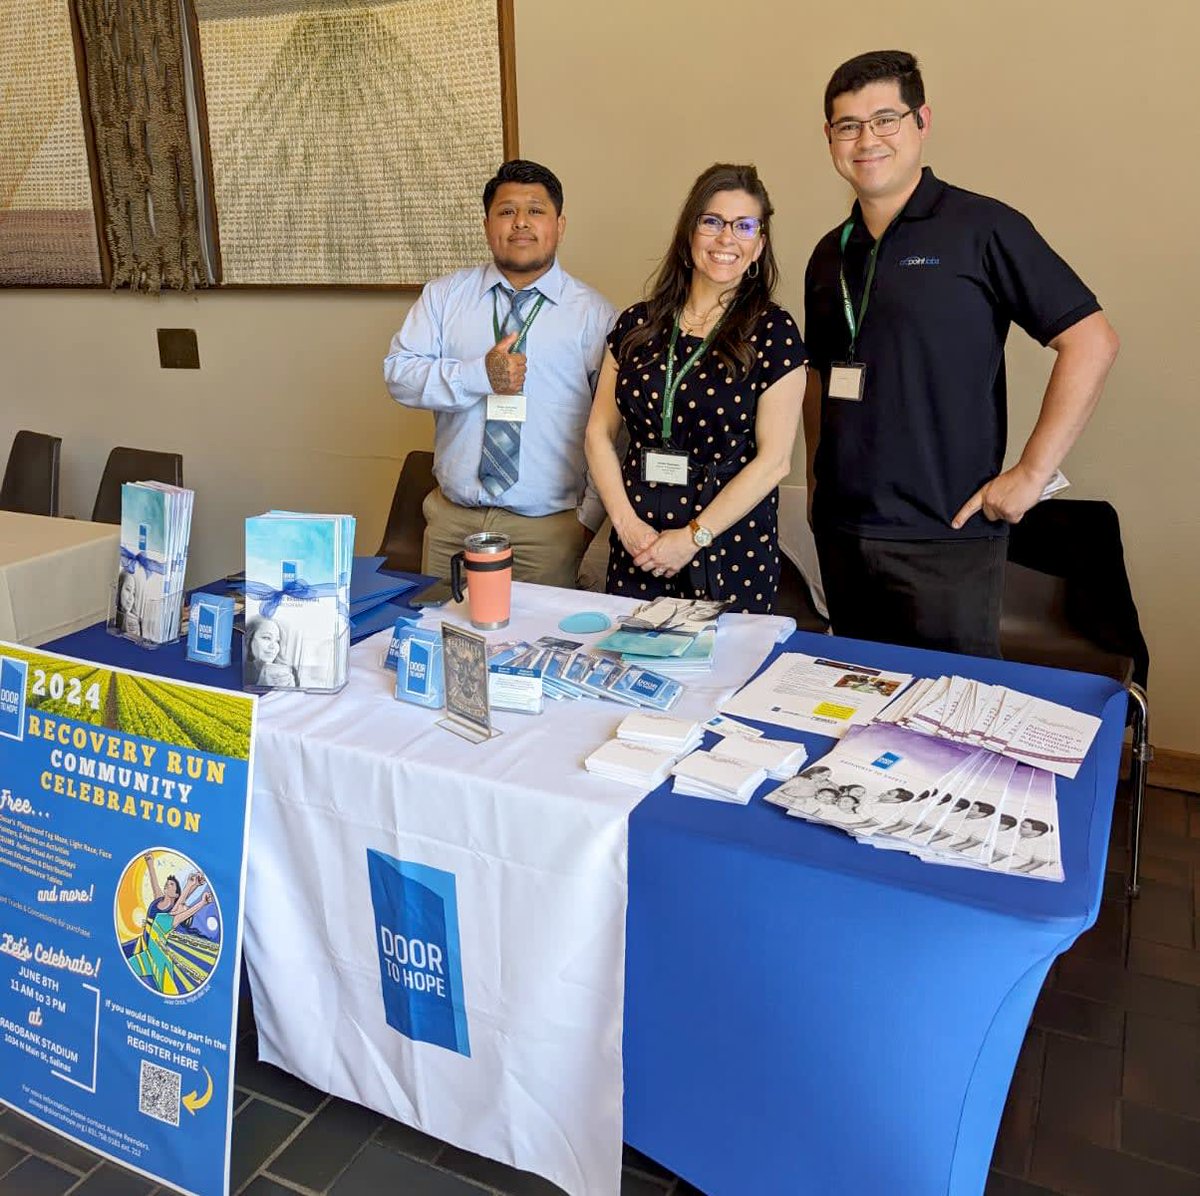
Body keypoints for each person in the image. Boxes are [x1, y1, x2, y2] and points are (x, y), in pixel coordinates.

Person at [802, 50, 1119, 656]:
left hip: (944, 538)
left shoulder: (982, 227)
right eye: (848, 125)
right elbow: (820, 378)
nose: (867, 139)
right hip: (843, 532)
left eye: (886, 119)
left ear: (922, 121)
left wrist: (1029, 475)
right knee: (859, 721)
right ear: (830, 138)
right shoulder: (828, 254)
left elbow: (1091, 339)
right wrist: (817, 484)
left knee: (946, 728)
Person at [585, 163, 808, 613]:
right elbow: (597, 435)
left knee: (724, 677)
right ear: (690, 234)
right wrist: (626, 528)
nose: (727, 238)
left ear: (759, 244)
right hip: (639, 545)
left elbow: (774, 462)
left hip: (727, 546)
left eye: (745, 225)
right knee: (631, 674)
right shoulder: (636, 324)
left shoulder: (773, 332)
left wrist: (692, 539)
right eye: (712, 221)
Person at [384, 159, 615, 588]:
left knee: (535, 651)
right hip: (452, 522)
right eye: (507, 212)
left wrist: (587, 520)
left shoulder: (595, 315)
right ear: (487, 224)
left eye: (536, 211)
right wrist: (479, 376)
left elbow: (612, 427)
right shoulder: (444, 297)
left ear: (559, 226)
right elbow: (399, 374)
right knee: (445, 643)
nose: (520, 223)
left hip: (548, 532)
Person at [131, 854, 208, 995]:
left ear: (176, 893)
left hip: (161, 961)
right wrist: (150, 863)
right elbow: (155, 884)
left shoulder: (173, 911)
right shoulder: (157, 902)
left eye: (171, 884)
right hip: (148, 955)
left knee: (168, 992)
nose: (168, 884)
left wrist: (193, 885)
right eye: (167, 883)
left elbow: (180, 904)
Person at [245, 617, 297, 688]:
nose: (273, 646)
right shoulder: (239, 671)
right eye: (266, 637)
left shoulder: (290, 671)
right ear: (249, 639)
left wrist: (292, 691)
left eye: (277, 641)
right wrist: (260, 688)